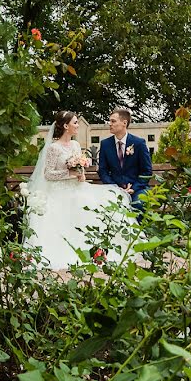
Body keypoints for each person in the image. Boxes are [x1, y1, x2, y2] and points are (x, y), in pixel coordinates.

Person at [25, 111, 133, 269]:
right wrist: (69, 174)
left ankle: (104, 248)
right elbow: (48, 174)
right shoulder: (54, 148)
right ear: (65, 126)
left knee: (108, 198)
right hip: (59, 192)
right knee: (78, 203)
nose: (77, 126)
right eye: (75, 123)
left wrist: (81, 174)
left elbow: (78, 169)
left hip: (77, 187)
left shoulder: (75, 145)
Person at [98, 108, 153, 210]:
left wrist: (133, 188)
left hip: (137, 189)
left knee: (138, 204)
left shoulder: (139, 143)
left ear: (124, 123)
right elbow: (103, 170)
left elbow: (146, 171)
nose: (110, 124)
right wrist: (114, 187)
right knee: (105, 206)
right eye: (109, 121)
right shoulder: (105, 144)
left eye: (113, 121)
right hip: (114, 189)